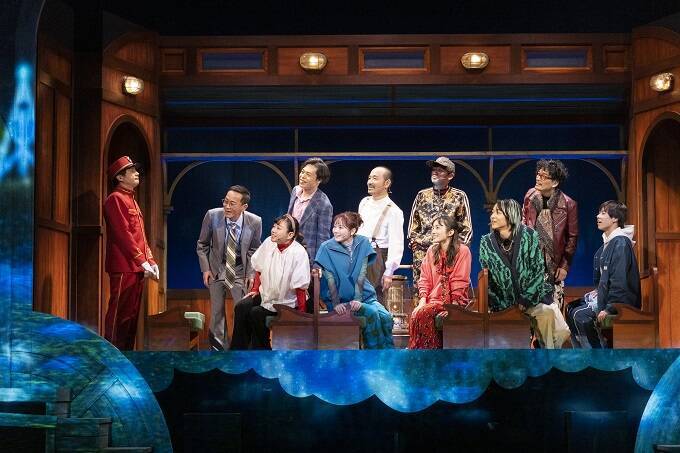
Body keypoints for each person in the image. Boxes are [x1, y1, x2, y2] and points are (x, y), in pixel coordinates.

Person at [479, 199, 570, 349]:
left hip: (533, 299)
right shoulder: (486, 242)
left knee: (559, 329)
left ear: (510, 214)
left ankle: (546, 353)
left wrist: (525, 300)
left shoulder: (530, 235)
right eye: (493, 212)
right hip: (504, 305)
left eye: (498, 212)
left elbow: (537, 271)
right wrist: (505, 306)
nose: (492, 216)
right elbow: (489, 282)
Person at [566, 201, 641, 348]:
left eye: (603, 213)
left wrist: (610, 308)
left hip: (621, 302)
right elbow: (603, 280)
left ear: (615, 218)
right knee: (570, 308)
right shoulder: (608, 244)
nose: (598, 216)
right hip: (605, 296)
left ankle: (598, 353)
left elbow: (620, 281)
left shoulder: (620, 243)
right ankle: (583, 352)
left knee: (580, 315)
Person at [315, 212, 394, 349]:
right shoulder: (326, 248)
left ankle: (388, 353)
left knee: (386, 317)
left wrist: (358, 299)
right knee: (371, 313)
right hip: (341, 300)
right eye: (335, 227)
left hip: (364, 296)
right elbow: (329, 278)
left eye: (341, 227)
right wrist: (335, 303)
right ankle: (373, 354)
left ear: (352, 231)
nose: (335, 231)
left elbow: (362, 273)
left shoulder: (363, 242)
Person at [230, 214, 310, 350]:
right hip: (266, 295)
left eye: (278, 228)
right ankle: (238, 351)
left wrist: (301, 315)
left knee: (256, 313)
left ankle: (262, 351)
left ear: (290, 234)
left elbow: (300, 286)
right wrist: (255, 289)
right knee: (241, 307)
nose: (273, 230)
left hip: (287, 302)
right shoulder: (269, 243)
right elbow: (259, 267)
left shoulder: (298, 252)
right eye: (274, 226)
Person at [197, 185, 262, 350]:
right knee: (217, 312)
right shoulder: (212, 216)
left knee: (242, 309)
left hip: (240, 270)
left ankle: (241, 349)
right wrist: (206, 269)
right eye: (225, 201)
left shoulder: (255, 221)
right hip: (217, 268)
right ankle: (219, 350)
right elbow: (202, 244)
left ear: (244, 206)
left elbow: (254, 250)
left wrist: (251, 274)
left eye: (232, 203)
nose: (227, 206)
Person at [103, 156, 159, 350]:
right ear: (120, 177)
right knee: (118, 313)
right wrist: (141, 260)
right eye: (131, 171)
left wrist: (150, 260)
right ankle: (112, 354)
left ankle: (126, 353)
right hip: (123, 265)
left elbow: (140, 235)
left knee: (131, 315)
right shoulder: (115, 199)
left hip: (136, 267)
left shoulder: (131, 200)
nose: (137, 173)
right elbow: (123, 234)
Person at [522, 159, 578, 309]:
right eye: (537, 174)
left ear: (554, 182)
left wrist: (565, 266)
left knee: (552, 308)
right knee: (529, 308)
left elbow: (572, 237)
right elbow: (524, 222)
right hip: (530, 261)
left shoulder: (568, 204)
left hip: (554, 264)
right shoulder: (530, 196)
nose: (538, 178)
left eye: (543, 176)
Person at [408, 216, 471, 349]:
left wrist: (454, 308)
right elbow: (424, 278)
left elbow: (460, 280)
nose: (433, 231)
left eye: (438, 227)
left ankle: (431, 354)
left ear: (450, 232)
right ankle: (422, 352)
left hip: (455, 302)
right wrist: (422, 301)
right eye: (433, 228)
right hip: (433, 301)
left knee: (424, 313)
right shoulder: (431, 251)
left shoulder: (463, 251)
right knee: (416, 314)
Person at [408, 156, 473, 283]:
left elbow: (466, 228)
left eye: (440, 170)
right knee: (423, 288)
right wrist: (416, 245)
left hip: (450, 253)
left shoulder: (459, 196)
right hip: (423, 253)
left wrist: (454, 248)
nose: (435, 172)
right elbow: (413, 228)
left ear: (450, 175)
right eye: (434, 169)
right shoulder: (422, 195)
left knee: (449, 288)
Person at [287, 158, 333, 311]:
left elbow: (323, 238)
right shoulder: (295, 191)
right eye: (302, 172)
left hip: (307, 257)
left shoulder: (324, 204)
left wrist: (317, 265)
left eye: (308, 174)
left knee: (306, 300)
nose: (302, 176)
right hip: (289, 251)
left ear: (318, 179)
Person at [357, 166, 404, 306]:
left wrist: (389, 271)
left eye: (375, 178)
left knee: (372, 298)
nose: (370, 182)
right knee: (356, 297)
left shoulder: (393, 210)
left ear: (386, 183)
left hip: (376, 256)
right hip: (359, 251)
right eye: (369, 178)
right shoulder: (364, 202)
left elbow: (396, 243)